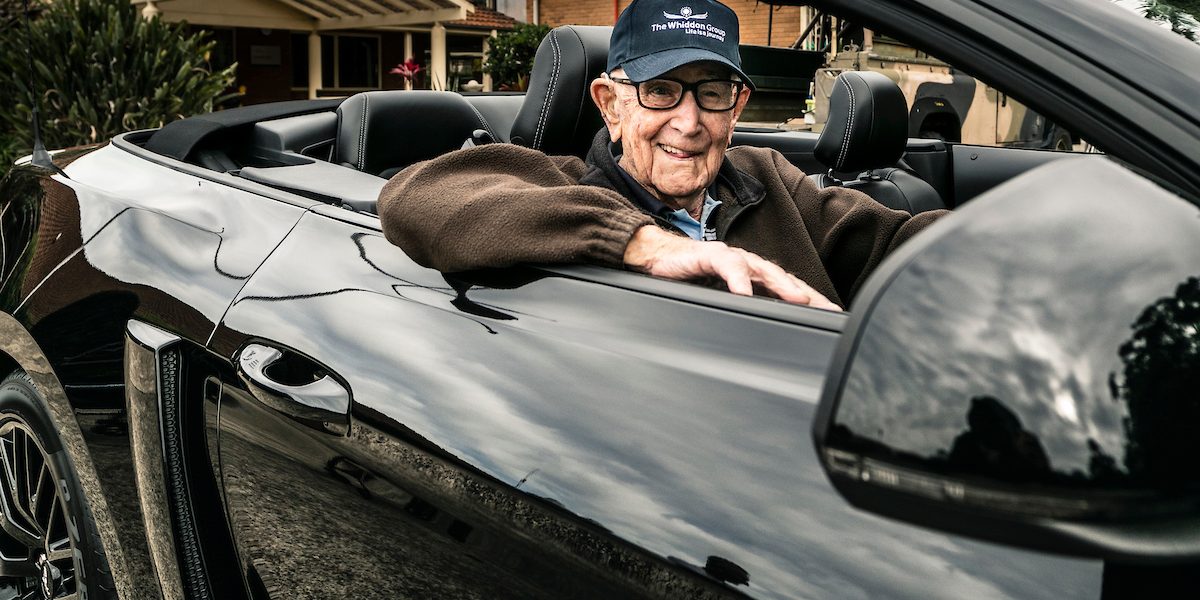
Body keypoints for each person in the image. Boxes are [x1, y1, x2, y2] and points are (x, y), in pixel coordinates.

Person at [378, 0, 944, 310]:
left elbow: (899, 246)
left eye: (712, 92)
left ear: (738, 104)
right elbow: (413, 197)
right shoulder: (563, 186)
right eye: (660, 90)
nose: (689, 121)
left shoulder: (766, 178)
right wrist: (644, 244)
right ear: (611, 105)